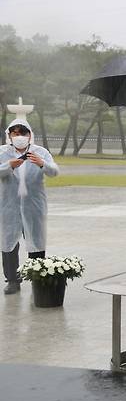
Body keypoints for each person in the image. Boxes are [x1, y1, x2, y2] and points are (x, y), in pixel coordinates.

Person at [0, 118, 59, 295]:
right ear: (9, 135)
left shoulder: (40, 152)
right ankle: (12, 280)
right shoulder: (3, 153)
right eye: (15, 133)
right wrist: (8, 165)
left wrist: (42, 163)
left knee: (36, 241)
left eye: (23, 133)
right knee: (8, 242)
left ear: (29, 135)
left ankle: (37, 279)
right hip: (9, 205)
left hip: (34, 205)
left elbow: (54, 171)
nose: (19, 136)